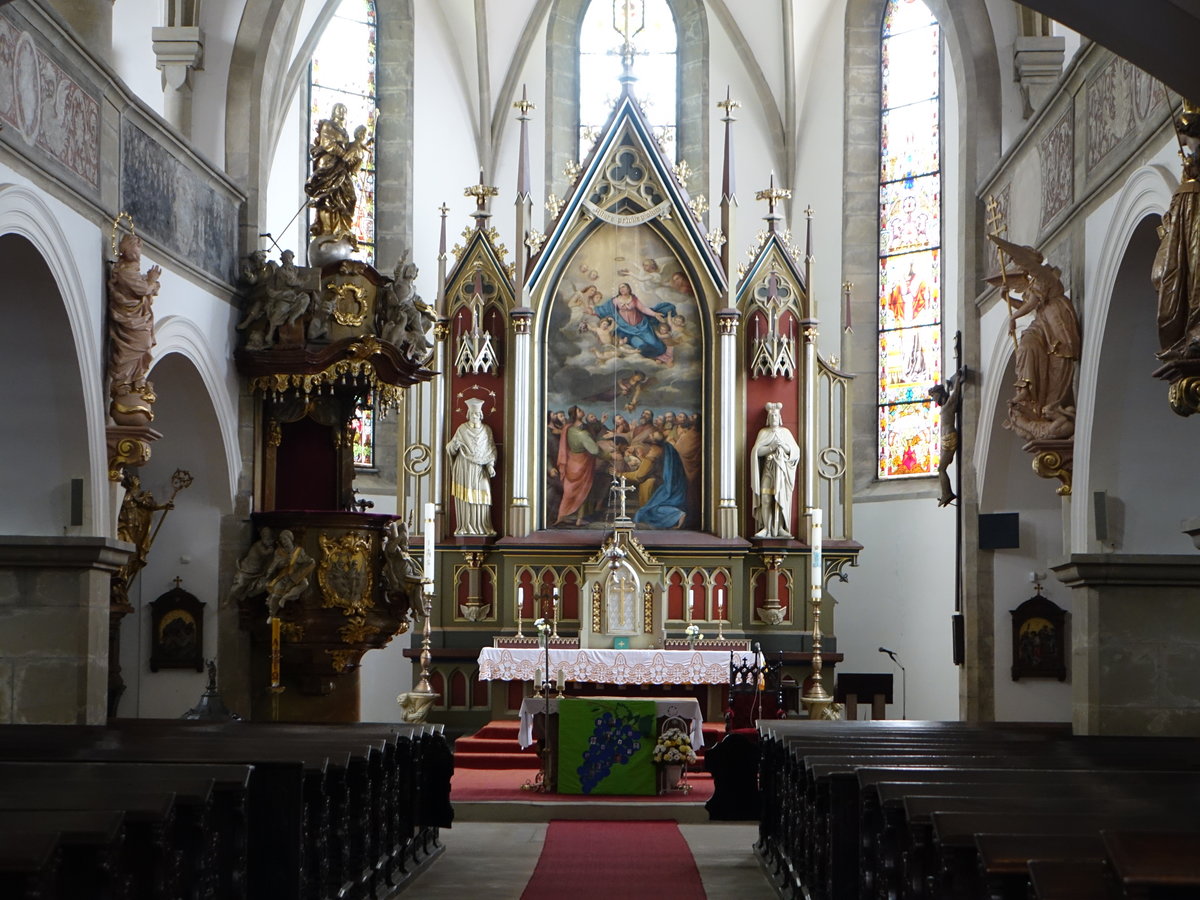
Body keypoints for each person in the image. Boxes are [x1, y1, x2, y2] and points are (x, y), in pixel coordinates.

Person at [988, 235, 1080, 441]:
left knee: (1056, 359)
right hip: (1041, 323)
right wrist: (1007, 299)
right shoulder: (1033, 285)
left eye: (1019, 262)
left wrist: (1013, 316)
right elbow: (1029, 306)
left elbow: (1033, 304)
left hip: (1056, 322)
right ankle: (1026, 389)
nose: (1018, 266)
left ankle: (1043, 399)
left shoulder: (1045, 277)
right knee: (1026, 346)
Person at [1153, 103, 1200, 360]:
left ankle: (1195, 329)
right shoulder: (1185, 193)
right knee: (1170, 276)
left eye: (1188, 140)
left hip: (1194, 222)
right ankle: (1185, 333)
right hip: (1185, 221)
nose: (1187, 147)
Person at [107, 234, 161, 407]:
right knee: (139, 345)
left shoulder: (133, 273)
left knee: (142, 346)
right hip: (130, 322)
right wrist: (151, 281)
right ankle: (123, 380)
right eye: (137, 247)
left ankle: (136, 380)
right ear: (129, 250)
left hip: (137, 319)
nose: (139, 251)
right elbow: (143, 288)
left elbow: (145, 288)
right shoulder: (125, 273)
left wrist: (151, 283)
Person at [446, 399, 498, 536]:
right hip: (464, 467)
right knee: (466, 497)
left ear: (481, 414)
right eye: (473, 413)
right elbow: (450, 447)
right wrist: (454, 446)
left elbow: (491, 449)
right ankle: (465, 526)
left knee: (483, 496)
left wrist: (490, 465)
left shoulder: (486, 430)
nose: (475, 416)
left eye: (477, 413)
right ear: (469, 414)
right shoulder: (462, 429)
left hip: (481, 469)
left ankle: (484, 527)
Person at [750, 402, 801, 538]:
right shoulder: (763, 432)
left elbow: (795, 451)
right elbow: (757, 452)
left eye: (776, 416)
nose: (774, 419)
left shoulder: (785, 433)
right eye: (771, 417)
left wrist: (784, 447)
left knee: (779, 498)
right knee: (766, 498)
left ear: (780, 418)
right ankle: (766, 527)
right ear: (768, 418)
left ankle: (779, 528)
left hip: (781, 471)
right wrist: (771, 447)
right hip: (768, 469)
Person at [553, 405, 609, 526]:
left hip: (572, 462)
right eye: (578, 410)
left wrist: (601, 422)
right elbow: (594, 450)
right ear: (574, 415)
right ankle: (578, 518)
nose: (581, 410)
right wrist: (610, 456)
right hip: (581, 463)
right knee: (583, 491)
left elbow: (592, 429)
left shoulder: (569, 428)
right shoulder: (581, 433)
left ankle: (563, 515)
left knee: (571, 491)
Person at [593, 282, 676, 362]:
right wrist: (593, 310)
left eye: (623, 287)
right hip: (626, 328)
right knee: (640, 346)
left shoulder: (633, 299)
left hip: (641, 326)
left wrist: (655, 314)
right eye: (620, 288)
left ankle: (659, 356)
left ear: (628, 289)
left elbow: (643, 309)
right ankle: (651, 357)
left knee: (655, 343)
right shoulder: (615, 300)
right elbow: (605, 308)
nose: (621, 289)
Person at [629, 431, 689, 529]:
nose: (649, 434)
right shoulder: (668, 448)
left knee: (646, 511)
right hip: (673, 484)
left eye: (651, 435)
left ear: (655, 442)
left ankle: (677, 515)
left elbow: (640, 475)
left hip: (669, 487)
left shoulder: (657, 451)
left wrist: (620, 473)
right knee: (646, 509)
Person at [930, 372, 964, 507]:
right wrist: (951, 385)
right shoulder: (945, 405)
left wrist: (958, 381)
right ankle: (946, 493)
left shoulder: (949, 404)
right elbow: (951, 394)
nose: (934, 400)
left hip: (950, 437)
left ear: (940, 394)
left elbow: (955, 395)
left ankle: (947, 493)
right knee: (941, 468)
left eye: (934, 396)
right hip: (946, 438)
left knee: (941, 469)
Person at [264, 530, 314, 618]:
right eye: (282, 540)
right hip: (284, 577)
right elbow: (275, 565)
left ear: (290, 539)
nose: (284, 541)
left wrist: (300, 560)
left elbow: (306, 560)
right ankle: (272, 615)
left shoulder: (299, 550)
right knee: (275, 595)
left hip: (295, 576)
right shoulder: (279, 552)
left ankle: (286, 597)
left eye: (285, 539)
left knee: (305, 583)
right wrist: (284, 562)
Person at [228, 527, 277, 605]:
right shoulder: (258, 545)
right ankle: (228, 600)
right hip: (247, 569)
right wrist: (270, 550)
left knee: (263, 585)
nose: (269, 542)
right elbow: (264, 553)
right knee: (239, 584)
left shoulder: (268, 548)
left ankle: (248, 596)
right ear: (262, 538)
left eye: (271, 540)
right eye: (267, 539)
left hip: (258, 571)